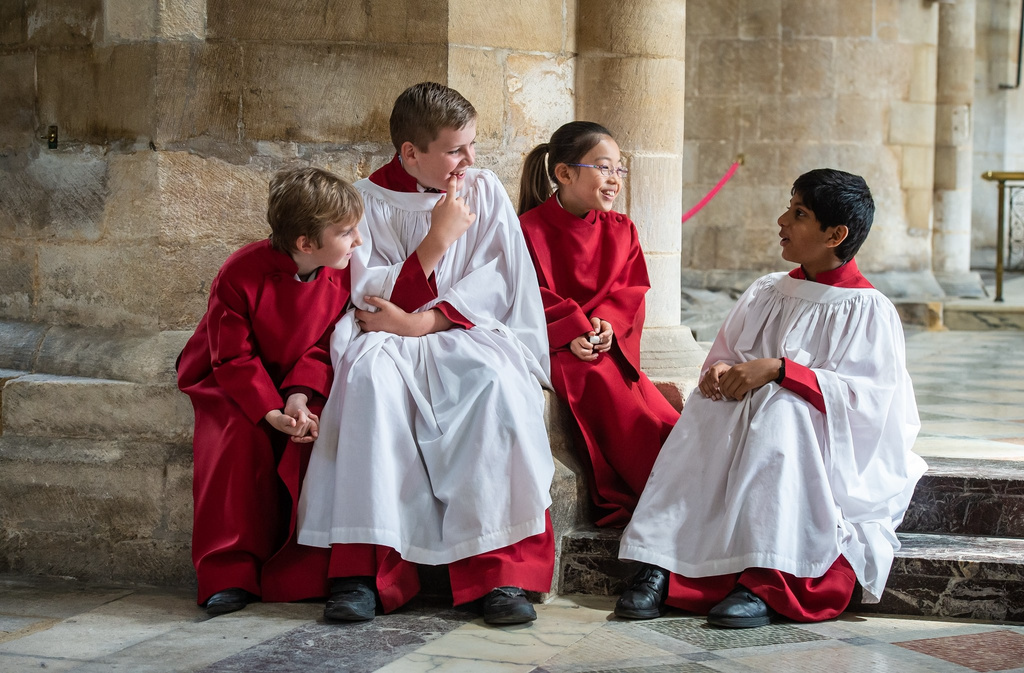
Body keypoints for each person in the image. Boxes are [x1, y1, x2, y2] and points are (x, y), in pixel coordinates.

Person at [615, 168, 926, 628]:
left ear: (835, 234)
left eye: (798, 213)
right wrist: (719, 372)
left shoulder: (869, 310)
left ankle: (766, 576)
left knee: (783, 411)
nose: (782, 220)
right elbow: (725, 357)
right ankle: (662, 562)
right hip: (748, 424)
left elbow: (872, 403)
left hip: (817, 442)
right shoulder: (767, 291)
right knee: (711, 406)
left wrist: (782, 372)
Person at [297, 82, 554, 626]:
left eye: (472, 144)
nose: (470, 159)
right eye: (456, 149)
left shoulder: (483, 191)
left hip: (462, 329)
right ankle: (364, 571)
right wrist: (436, 240)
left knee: (495, 385)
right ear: (411, 152)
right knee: (368, 384)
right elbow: (371, 296)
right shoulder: (366, 200)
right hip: (385, 337)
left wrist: (423, 322)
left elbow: (500, 281)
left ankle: (498, 572)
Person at [177, 166, 363, 616]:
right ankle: (228, 572)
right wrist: (268, 411)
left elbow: (324, 344)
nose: (358, 241)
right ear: (305, 243)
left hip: (300, 378)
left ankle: (305, 570)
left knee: (318, 435)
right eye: (347, 232)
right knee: (235, 440)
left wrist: (297, 397)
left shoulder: (342, 273)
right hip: (231, 376)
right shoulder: (240, 272)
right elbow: (231, 357)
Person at [517, 121, 680, 528]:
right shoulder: (527, 230)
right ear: (564, 173)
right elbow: (522, 294)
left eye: (619, 170)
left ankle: (678, 485)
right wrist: (571, 329)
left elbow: (631, 288)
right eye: (604, 168)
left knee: (658, 416)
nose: (615, 180)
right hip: (558, 347)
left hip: (606, 344)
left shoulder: (622, 230)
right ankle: (658, 493)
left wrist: (606, 322)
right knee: (599, 382)